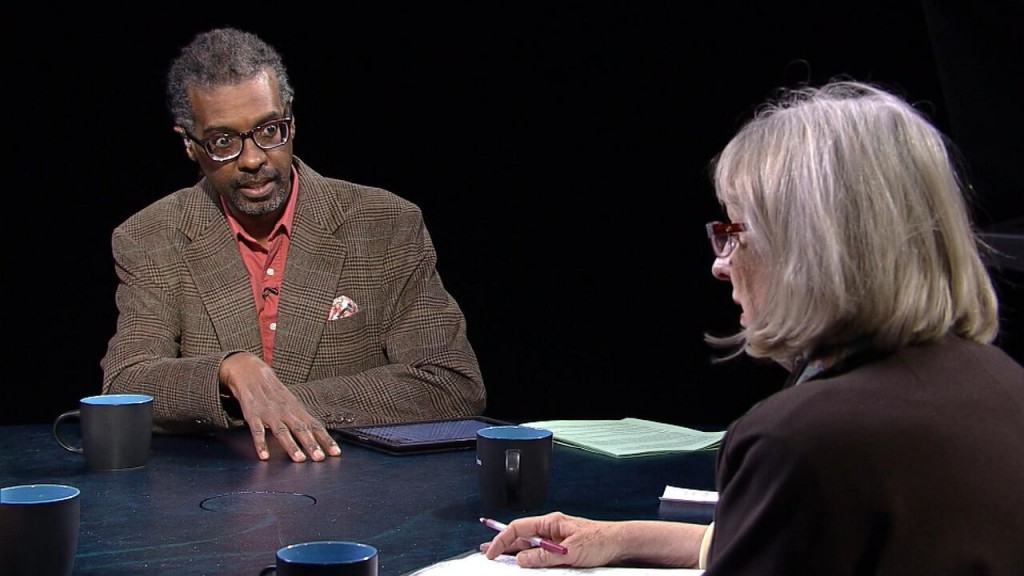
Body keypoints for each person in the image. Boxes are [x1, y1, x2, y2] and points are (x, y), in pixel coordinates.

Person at [480, 80, 1024, 574]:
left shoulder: (802, 439)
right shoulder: (1001, 383)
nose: (721, 262)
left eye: (735, 230)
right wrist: (618, 537)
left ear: (810, 247)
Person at [101, 27, 486, 463]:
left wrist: (271, 402)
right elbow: (125, 386)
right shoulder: (151, 235)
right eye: (223, 141)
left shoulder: (385, 223)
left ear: (292, 120)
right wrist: (230, 371)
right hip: (215, 501)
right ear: (190, 146)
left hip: (359, 493)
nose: (252, 159)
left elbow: (452, 383)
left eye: (269, 130)